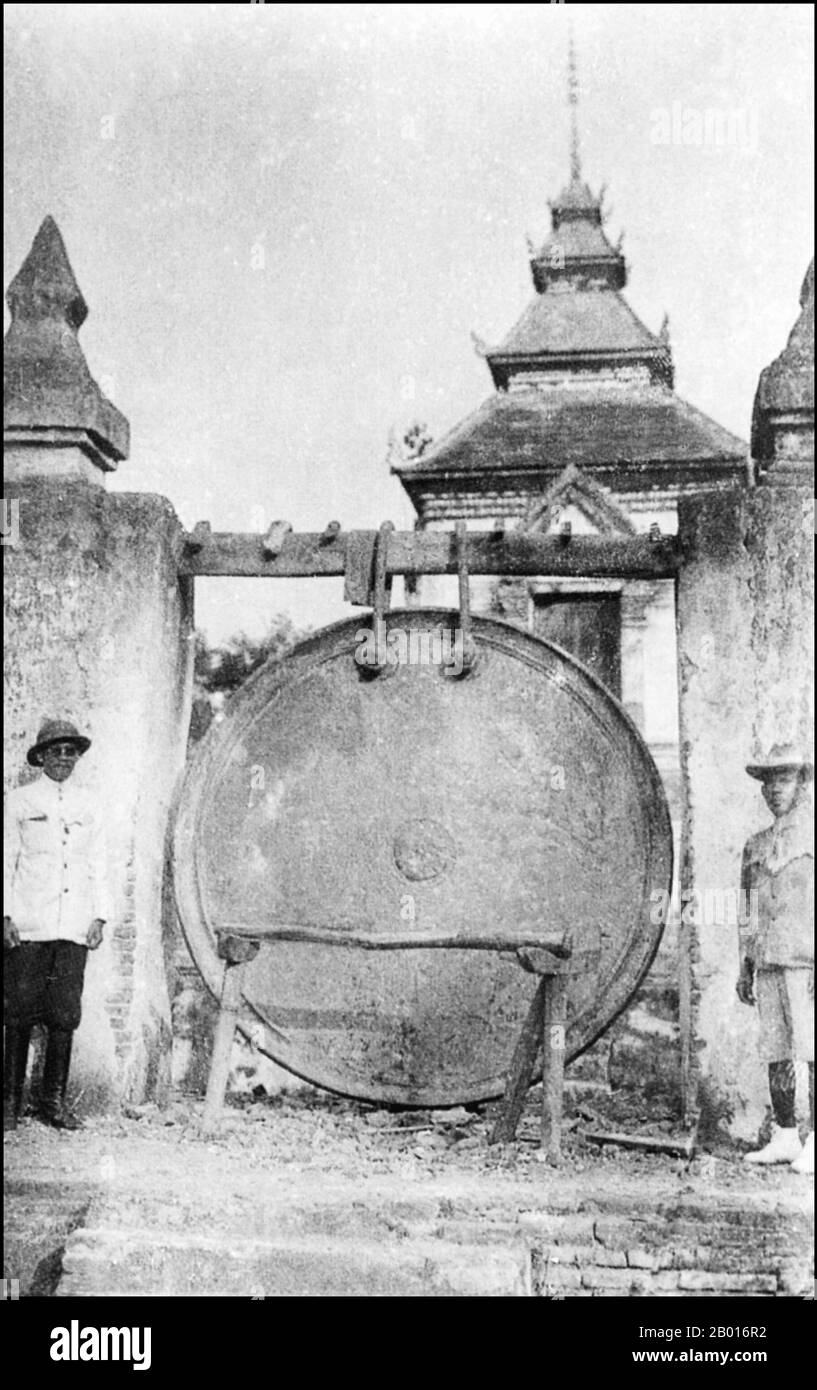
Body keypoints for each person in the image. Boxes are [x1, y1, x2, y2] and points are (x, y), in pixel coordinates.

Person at [4, 719, 110, 1131]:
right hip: (30, 922)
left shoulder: (90, 805)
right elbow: (7, 858)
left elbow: (98, 862)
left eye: (71, 752)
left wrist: (99, 915)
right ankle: (10, 1102)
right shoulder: (18, 801)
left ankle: (54, 1102)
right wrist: (6, 915)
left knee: (65, 1014)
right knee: (18, 1012)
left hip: (73, 924)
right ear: (41, 756)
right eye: (56, 751)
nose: (64, 759)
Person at [737, 743, 813, 1174]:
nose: (774, 790)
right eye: (768, 782)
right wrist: (745, 961)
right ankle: (785, 1134)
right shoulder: (756, 846)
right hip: (768, 960)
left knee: (814, 1049)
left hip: (807, 961)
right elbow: (746, 908)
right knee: (777, 1049)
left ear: (801, 783)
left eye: (783, 780)